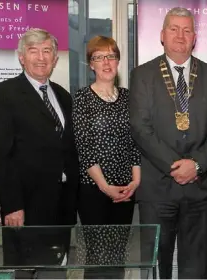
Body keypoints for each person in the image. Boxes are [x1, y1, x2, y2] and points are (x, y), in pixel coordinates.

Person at [129, 7, 207, 279]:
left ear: (195, 37)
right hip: (158, 189)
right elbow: (140, 128)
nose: (180, 35)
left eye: (187, 30)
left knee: (196, 269)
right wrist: (176, 167)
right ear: (162, 35)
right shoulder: (142, 75)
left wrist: (196, 164)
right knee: (155, 267)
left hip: (201, 190)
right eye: (174, 29)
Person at [0, 28, 79, 277]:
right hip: (25, 207)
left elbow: (67, 150)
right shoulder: (4, 94)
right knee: (24, 272)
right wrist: (11, 205)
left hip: (60, 206)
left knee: (56, 271)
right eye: (33, 51)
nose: (41, 57)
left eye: (47, 51)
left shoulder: (63, 96)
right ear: (21, 57)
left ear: (55, 58)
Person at [72, 35, 140, 278]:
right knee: (97, 256)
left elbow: (135, 144)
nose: (106, 62)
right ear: (91, 64)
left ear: (118, 61)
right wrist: (105, 186)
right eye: (99, 57)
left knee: (118, 254)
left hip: (126, 190)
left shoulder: (129, 97)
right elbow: (84, 147)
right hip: (94, 189)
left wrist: (135, 181)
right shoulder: (81, 99)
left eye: (111, 56)